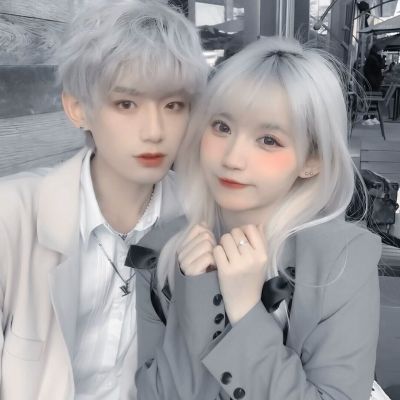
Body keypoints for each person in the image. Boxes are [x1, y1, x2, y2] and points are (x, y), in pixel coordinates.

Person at [134, 37, 382, 400]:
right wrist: (197, 295)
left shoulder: (341, 260)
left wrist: (247, 311)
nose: (232, 158)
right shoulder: (160, 252)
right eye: (222, 127)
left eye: (268, 140)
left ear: (312, 160)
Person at [0, 1, 208, 399]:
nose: (154, 131)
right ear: (77, 108)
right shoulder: (12, 216)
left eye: (173, 105)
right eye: (126, 103)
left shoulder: (199, 217)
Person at [363, 44, 385, 125]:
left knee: (373, 101)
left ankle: (372, 116)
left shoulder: (373, 58)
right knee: (371, 100)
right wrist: (382, 58)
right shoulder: (373, 58)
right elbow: (380, 66)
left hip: (373, 83)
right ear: (376, 51)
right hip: (372, 83)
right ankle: (367, 117)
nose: (381, 52)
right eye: (380, 51)